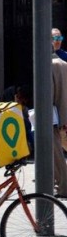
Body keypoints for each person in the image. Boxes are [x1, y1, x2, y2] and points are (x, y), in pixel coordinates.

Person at [51, 49, 67, 198]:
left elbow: (48, 94)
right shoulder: (64, 64)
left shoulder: (50, 66)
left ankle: (63, 187)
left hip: (53, 118)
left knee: (56, 153)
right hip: (63, 114)